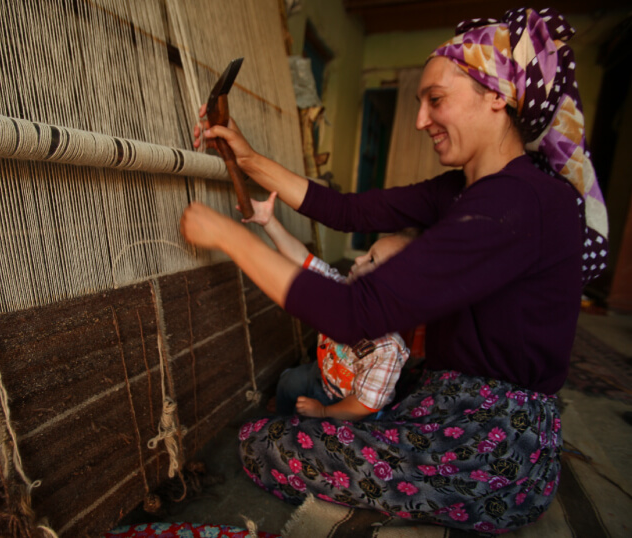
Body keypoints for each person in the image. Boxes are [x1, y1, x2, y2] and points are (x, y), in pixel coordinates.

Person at [180, 7, 609, 533]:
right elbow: (347, 211)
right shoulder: (466, 190)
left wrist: (229, 237)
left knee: (265, 443)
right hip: (448, 400)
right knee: (321, 413)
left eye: (436, 100)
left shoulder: (519, 203)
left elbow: (353, 313)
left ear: (498, 96)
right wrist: (247, 160)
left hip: (499, 442)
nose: (420, 121)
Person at [242, 191, 411, 420]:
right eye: (367, 253)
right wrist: (268, 222)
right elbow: (302, 259)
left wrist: (322, 411)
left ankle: (301, 417)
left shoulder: (386, 349)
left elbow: (363, 405)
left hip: (351, 405)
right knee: (288, 382)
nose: (358, 259)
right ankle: (283, 416)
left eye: (372, 259)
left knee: (338, 430)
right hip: (322, 376)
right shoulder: (339, 290)